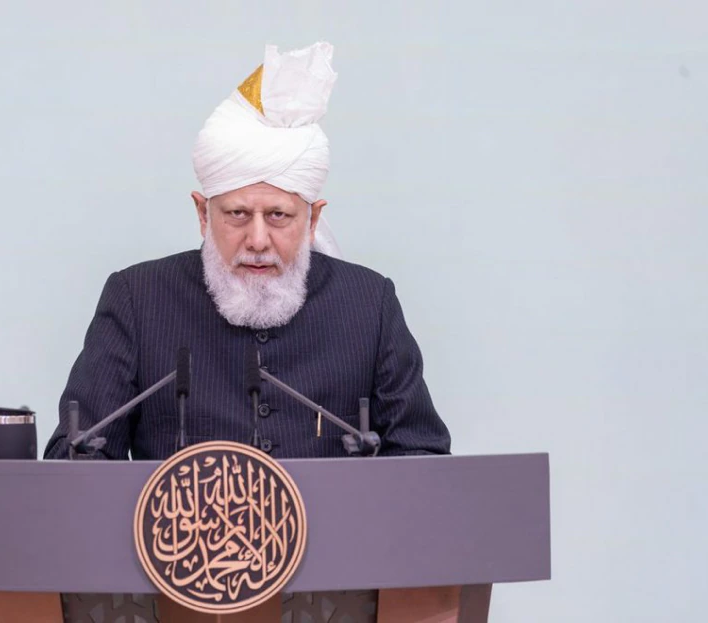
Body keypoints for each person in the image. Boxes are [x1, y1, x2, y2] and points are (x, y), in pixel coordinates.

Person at [43, 42, 450, 460]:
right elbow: (75, 457)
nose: (257, 240)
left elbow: (423, 454)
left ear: (312, 220)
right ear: (203, 214)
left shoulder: (368, 305)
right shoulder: (138, 299)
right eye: (237, 214)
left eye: (278, 216)